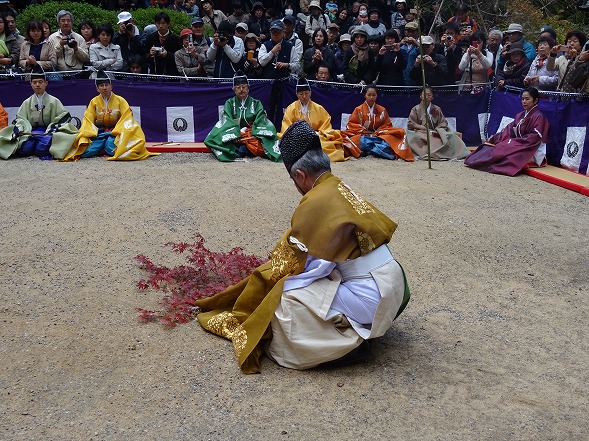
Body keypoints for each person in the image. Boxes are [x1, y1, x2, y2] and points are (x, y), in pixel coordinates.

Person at [194, 119, 410, 373]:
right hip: (393, 283)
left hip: (372, 299)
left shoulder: (315, 202)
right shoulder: (338, 187)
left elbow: (296, 266)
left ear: (299, 175)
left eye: (292, 180)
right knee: (315, 283)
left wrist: (260, 285)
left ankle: (346, 346)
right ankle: (352, 325)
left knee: (284, 300)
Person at [63, 71, 157, 161]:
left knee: (110, 148)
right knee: (86, 152)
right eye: (101, 85)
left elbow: (127, 118)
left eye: (106, 85)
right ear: (97, 88)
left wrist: (115, 130)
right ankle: (102, 144)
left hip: (116, 132)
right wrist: (92, 131)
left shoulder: (120, 101)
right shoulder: (94, 102)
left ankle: (104, 146)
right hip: (100, 133)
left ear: (111, 86)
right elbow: (88, 120)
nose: (104, 88)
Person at [464, 87, 550, 176]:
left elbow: (535, 137)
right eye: (523, 99)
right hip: (519, 144)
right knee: (497, 148)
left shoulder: (539, 117)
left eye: (527, 99)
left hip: (531, 148)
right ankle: (476, 161)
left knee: (508, 155)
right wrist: (495, 138)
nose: (524, 101)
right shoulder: (520, 115)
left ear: (535, 100)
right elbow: (509, 130)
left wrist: (515, 142)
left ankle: (488, 164)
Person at [0, 65, 77, 160]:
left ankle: (39, 145)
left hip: (48, 132)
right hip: (31, 132)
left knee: (41, 149)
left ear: (46, 83)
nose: (37, 85)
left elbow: (63, 117)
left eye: (40, 82)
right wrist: (21, 129)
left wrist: (51, 129)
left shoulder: (54, 101)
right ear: (30, 84)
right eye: (34, 82)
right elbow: (20, 119)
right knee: (25, 149)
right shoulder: (27, 102)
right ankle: (35, 144)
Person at [204, 71, 280, 162]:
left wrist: (252, 132)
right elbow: (227, 119)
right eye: (238, 87)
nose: (241, 90)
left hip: (251, 134)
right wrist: (236, 133)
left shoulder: (256, 103)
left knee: (267, 137)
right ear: (234, 90)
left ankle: (244, 149)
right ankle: (242, 149)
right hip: (234, 134)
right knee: (213, 138)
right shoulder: (230, 103)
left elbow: (261, 119)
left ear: (248, 89)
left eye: (244, 87)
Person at [280, 77, 344, 161]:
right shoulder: (291, 108)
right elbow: (286, 126)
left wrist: (317, 133)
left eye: (306, 93)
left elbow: (326, 126)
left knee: (326, 144)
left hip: (315, 136)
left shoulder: (319, 108)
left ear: (310, 93)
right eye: (301, 94)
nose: (304, 96)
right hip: (296, 137)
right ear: (296, 94)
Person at [342, 85, 412, 161]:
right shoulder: (358, 109)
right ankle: (376, 150)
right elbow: (351, 125)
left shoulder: (382, 110)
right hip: (363, 136)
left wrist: (378, 132)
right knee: (358, 141)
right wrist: (364, 131)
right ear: (365, 95)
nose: (371, 97)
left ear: (376, 96)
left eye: (374, 95)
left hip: (378, 136)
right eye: (369, 95)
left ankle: (369, 151)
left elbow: (387, 126)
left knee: (391, 140)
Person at [406, 86, 470, 160]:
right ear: (420, 96)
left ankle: (449, 153)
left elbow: (443, 122)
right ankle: (428, 153)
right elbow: (411, 123)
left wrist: (437, 130)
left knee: (451, 135)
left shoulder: (436, 109)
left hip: (435, 132)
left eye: (429, 95)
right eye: (424, 95)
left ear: (432, 97)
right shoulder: (415, 109)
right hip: (421, 133)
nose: (426, 97)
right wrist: (421, 127)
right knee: (413, 137)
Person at [144, 11, 182, 76]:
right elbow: (144, 55)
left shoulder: (176, 39)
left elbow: (180, 58)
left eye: (163, 23)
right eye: (158, 23)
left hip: (171, 74)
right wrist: (150, 54)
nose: (160, 26)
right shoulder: (150, 38)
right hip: (154, 73)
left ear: (168, 24)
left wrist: (167, 55)